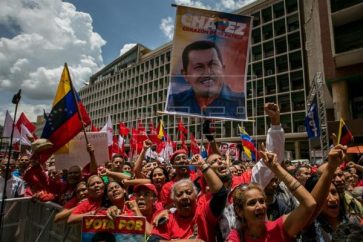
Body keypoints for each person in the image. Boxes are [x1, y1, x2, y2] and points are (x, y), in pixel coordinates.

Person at [226, 146, 317, 242]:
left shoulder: (279, 228)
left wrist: (276, 168)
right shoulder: (236, 237)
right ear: (239, 210)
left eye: (262, 201)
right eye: (252, 203)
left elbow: (309, 204)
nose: (260, 206)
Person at [148, 154, 228, 242]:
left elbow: (221, 194)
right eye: (179, 194)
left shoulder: (204, 212)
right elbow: (152, 240)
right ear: (174, 201)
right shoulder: (167, 219)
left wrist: (202, 165)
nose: (184, 197)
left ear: (196, 196)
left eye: (189, 193)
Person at [167, 40, 245, 119]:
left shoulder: (241, 102)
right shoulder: (173, 102)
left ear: (223, 69)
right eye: (198, 67)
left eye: (213, 64)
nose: (208, 73)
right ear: (185, 74)